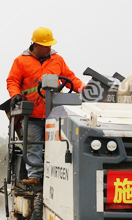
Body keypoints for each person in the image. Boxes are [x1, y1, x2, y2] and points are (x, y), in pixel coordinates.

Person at [6, 27, 84, 186]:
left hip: (55, 114)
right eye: (46, 46)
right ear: (36, 45)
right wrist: (15, 94)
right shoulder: (21, 61)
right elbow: (12, 81)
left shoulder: (57, 60)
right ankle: (35, 177)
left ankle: (56, 177)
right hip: (32, 114)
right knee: (33, 146)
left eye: (50, 45)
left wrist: (84, 89)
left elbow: (70, 78)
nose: (49, 48)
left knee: (58, 146)